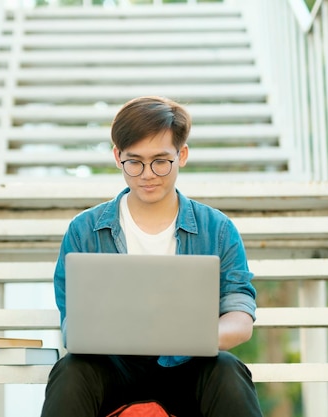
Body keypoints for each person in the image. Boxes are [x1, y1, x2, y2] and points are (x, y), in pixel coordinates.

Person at [40, 96, 263, 417]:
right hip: (112, 370)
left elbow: (239, 319)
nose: (147, 174)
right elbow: (73, 322)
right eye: (135, 161)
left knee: (227, 370)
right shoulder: (85, 230)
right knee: (71, 371)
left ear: (181, 155)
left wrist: (191, 338)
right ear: (117, 156)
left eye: (161, 161)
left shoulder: (217, 229)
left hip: (189, 368)